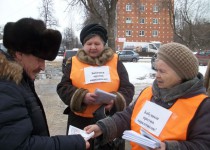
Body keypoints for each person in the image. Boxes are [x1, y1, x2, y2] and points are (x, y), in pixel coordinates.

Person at [85, 42, 210, 150]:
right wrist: (102, 127)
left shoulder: (202, 106)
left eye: (162, 71)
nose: (157, 75)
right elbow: (127, 116)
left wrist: (169, 147)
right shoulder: (149, 92)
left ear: (181, 74)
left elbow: (204, 145)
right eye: (156, 70)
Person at [0, 18, 89, 150]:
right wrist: (73, 143)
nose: (43, 67)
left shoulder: (18, 80)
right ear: (19, 54)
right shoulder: (6, 87)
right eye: (39, 59)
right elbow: (19, 146)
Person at [57, 23, 134, 149]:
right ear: (83, 45)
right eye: (89, 44)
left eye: (97, 44)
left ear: (103, 44)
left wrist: (115, 101)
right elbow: (62, 87)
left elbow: (128, 88)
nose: (93, 47)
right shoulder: (74, 62)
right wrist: (82, 97)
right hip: (79, 122)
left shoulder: (115, 61)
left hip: (109, 121)